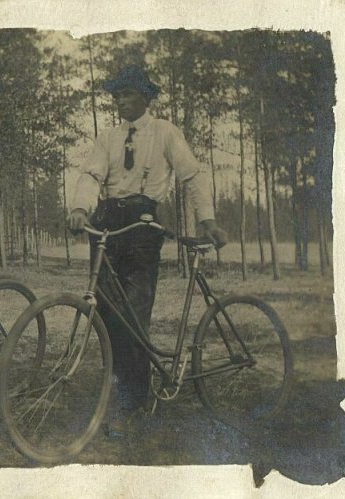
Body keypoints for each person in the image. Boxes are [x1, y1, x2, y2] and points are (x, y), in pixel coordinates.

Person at [67, 65, 227, 434]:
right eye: (117, 95)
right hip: (108, 224)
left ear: (146, 97)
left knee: (133, 317)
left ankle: (135, 403)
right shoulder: (107, 138)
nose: (120, 101)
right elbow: (91, 175)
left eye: (127, 94)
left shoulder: (166, 133)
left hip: (143, 228)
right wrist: (80, 208)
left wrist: (207, 221)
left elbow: (191, 176)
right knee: (106, 314)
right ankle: (129, 388)